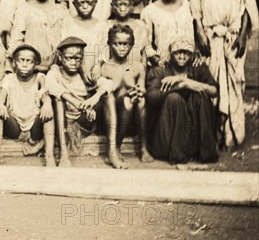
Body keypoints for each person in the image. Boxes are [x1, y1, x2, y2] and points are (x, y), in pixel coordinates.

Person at [188, 0, 259, 149]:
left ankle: (232, 135)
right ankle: (212, 137)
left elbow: (249, 2)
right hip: (209, 34)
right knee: (211, 83)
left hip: (233, 35)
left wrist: (242, 35)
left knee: (234, 82)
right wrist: (199, 30)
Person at [46, 37, 123, 168]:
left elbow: (111, 84)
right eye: (69, 58)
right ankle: (63, 154)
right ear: (60, 57)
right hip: (63, 122)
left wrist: (95, 97)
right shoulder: (55, 72)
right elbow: (52, 87)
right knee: (58, 99)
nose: (73, 62)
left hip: (83, 121)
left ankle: (112, 151)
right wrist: (76, 102)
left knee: (108, 96)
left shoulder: (84, 75)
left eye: (78, 59)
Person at [146, 35, 219, 163]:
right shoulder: (161, 70)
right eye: (178, 52)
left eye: (186, 53)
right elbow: (151, 97)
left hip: (193, 134)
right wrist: (178, 86)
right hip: (167, 136)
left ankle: (205, 152)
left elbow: (214, 91)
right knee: (173, 99)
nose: (182, 56)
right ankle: (178, 154)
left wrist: (186, 82)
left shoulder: (197, 68)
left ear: (191, 55)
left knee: (199, 97)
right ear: (171, 53)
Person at [0, 45, 56, 167]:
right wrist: (0, 103)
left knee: (48, 112)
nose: (24, 64)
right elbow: (2, 94)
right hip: (15, 126)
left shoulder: (39, 78)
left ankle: (49, 156)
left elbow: (45, 94)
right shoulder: (9, 78)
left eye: (29, 61)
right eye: (21, 60)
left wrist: (47, 103)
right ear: (14, 63)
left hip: (34, 126)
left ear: (36, 64)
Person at [100, 24, 152, 164]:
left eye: (126, 44)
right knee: (126, 101)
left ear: (132, 45)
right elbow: (103, 95)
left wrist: (138, 91)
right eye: (117, 44)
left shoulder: (137, 67)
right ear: (109, 44)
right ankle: (115, 147)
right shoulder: (105, 68)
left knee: (140, 100)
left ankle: (143, 148)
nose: (122, 48)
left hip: (133, 116)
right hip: (111, 116)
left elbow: (142, 88)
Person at [11, 0, 68, 72]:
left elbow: (66, 40)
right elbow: (16, 40)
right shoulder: (24, 10)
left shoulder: (62, 11)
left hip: (58, 69)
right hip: (30, 69)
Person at [141, 0, 195, 66]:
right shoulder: (148, 11)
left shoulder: (188, 5)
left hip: (189, 65)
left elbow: (197, 34)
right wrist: (157, 61)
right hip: (164, 65)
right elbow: (146, 44)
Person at [60, 0, 109, 79]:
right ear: (74, 4)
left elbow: (105, 49)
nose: (85, 6)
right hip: (73, 71)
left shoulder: (103, 25)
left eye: (89, 3)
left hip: (97, 71)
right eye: (81, 3)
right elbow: (64, 48)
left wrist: (98, 65)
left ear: (95, 3)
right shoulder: (68, 23)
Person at [107, 0, 151, 64]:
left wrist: (143, 68)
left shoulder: (140, 25)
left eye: (126, 5)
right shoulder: (106, 25)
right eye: (119, 4)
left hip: (135, 70)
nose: (122, 8)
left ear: (132, 5)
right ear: (112, 5)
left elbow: (145, 51)